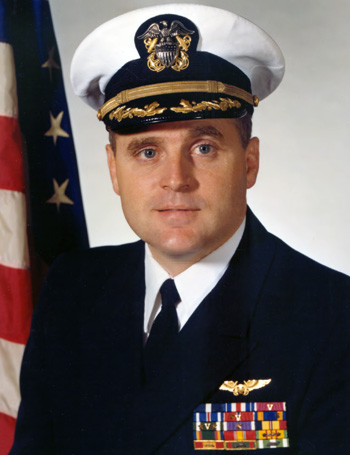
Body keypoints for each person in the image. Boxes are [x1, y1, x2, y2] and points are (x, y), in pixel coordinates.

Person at [10, 4, 349, 455]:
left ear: (249, 162)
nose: (176, 178)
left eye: (204, 146)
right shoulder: (73, 289)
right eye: (147, 152)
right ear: (114, 170)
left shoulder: (332, 319)